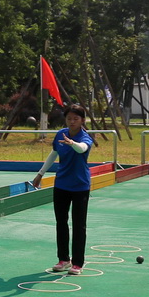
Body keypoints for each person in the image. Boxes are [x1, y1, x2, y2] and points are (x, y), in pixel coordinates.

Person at [33, 102, 94, 275]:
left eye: (76, 119)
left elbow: (81, 149)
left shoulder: (85, 138)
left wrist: (72, 142)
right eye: (69, 119)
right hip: (61, 185)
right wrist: (40, 174)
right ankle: (64, 259)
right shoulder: (60, 134)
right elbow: (54, 153)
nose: (72, 122)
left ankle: (78, 263)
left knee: (79, 225)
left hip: (80, 186)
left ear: (82, 120)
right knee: (61, 222)